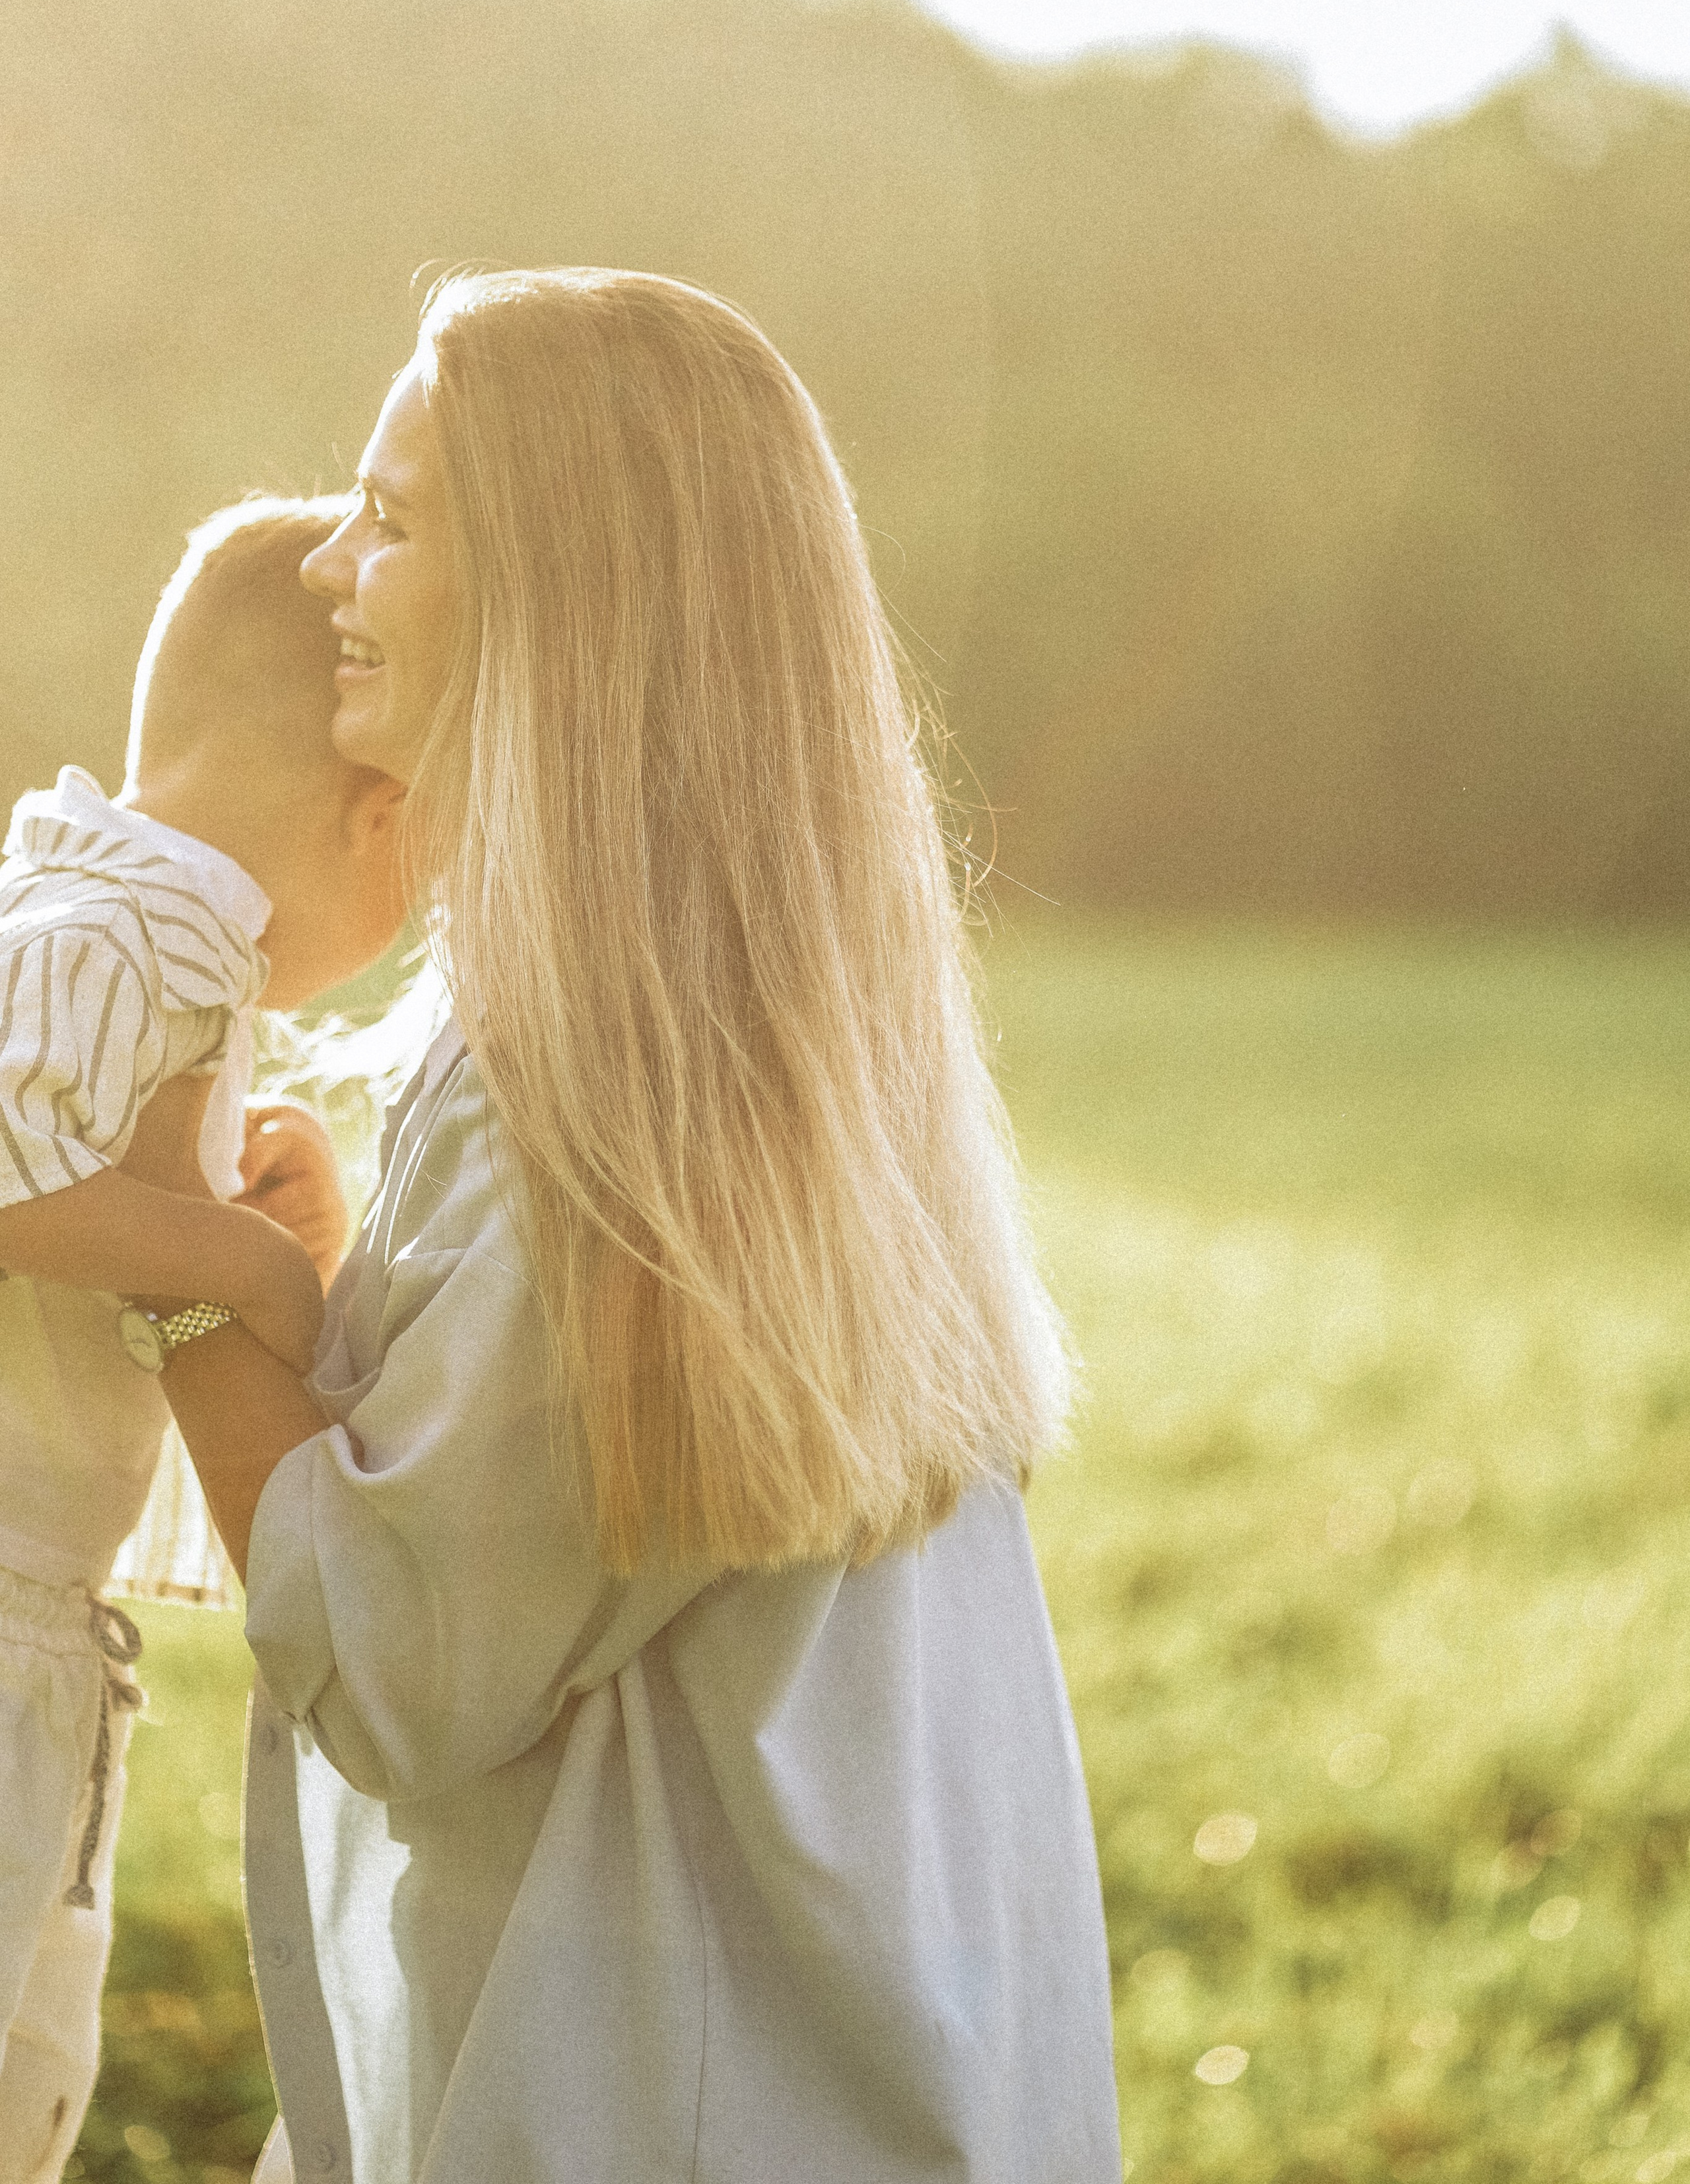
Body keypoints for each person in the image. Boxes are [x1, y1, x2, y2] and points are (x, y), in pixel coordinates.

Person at [156, 270, 1123, 2183]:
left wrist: (191, 1298)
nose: (333, 569)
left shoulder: (585, 1104)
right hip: (845, 2079)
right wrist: (350, 1306)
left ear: (560, 605)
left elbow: (407, 1664)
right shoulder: (760, 1044)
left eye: (396, 518)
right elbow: (550, 1518)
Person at [0, 497, 406, 2184]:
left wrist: (243, 1217)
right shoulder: (127, 932)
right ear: (377, 811)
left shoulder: (128, 926)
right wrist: (231, 1258)